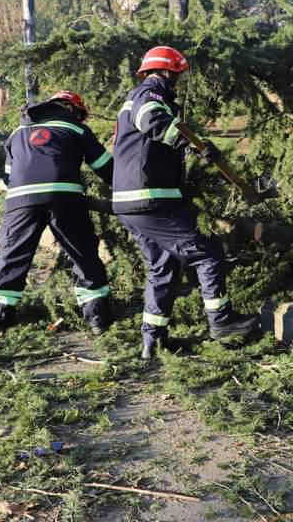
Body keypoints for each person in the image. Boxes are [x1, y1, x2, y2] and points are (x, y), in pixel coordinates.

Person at [113, 45, 260, 359]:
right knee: (208, 252)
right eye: (177, 75)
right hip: (150, 199)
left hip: (131, 202)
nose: (178, 81)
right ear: (166, 72)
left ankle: (152, 342)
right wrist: (196, 145)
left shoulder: (141, 95)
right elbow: (153, 122)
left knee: (162, 267)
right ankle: (221, 321)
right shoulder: (148, 94)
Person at [0, 90, 114, 335]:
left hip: (20, 200)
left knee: (12, 255)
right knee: (83, 254)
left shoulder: (17, 133)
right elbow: (106, 168)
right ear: (72, 109)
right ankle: (97, 319)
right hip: (65, 198)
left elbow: (8, 178)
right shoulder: (76, 129)